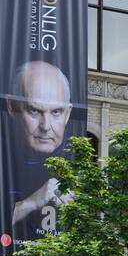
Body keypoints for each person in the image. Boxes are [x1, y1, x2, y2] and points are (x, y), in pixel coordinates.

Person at [4, 61, 79, 245]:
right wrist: (31, 203)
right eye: (34, 110)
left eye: (56, 112)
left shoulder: (81, 162)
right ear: (11, 106)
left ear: (68, 113)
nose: (46, 126)